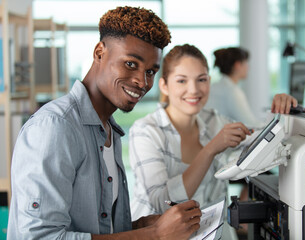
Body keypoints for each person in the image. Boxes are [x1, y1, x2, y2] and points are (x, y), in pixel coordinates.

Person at [7, 6, 202, 239]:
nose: (142, 81)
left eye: (150, 71)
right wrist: (155, 235)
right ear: (99, 52)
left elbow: (98, 229)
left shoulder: (109, 131)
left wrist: (143, 226)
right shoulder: (54, 127)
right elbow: (40, 237)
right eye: (131, 64)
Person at [129, 44, 297, 228]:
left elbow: (263, 136)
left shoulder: (214, 121)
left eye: (201, 80)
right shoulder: (146, 131)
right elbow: (162, 203)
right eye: (181, 81)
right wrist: (210, 150)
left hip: (211, 231)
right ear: (164, 86)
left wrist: (281, 112)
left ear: (209, 81)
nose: (193, 90)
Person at [205, 47, 265, 128]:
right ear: (238, 65)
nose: (248, 67)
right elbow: (250, 123)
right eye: (246, 63)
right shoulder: (232, 91)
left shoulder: (214, 86)